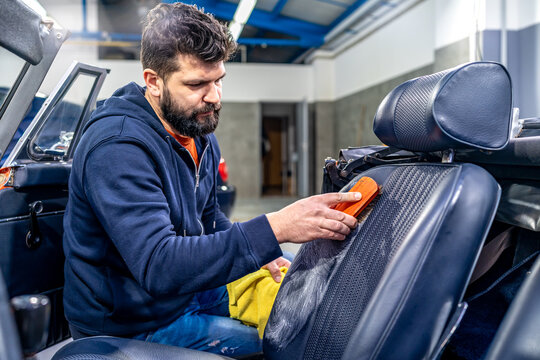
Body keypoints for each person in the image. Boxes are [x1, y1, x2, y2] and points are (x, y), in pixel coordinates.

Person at [62, 2, 360, 356]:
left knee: (302, 298)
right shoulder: (118, 146)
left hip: (184, 292)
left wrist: (262, 252)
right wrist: (276, 227)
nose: (215, 97)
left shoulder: (196, 130)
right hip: (133, 321)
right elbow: (160, 265)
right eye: (197, 83)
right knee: (285, 343)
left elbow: (208, 219)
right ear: (153, 82)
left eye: (219, 80)